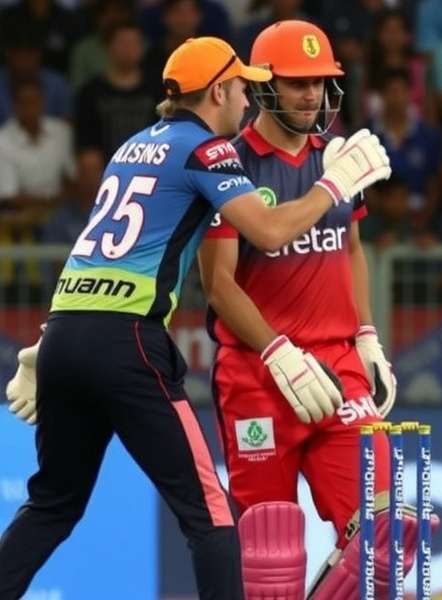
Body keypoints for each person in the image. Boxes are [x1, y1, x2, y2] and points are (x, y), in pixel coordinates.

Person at [1, 35, 390, 600]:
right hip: (129, 343)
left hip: (67, 328)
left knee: (52, 505)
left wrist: (49, 344)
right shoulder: (210, 151)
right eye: (241, 88)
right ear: (218, 91)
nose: (248, 100)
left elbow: (101, 252)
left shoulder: (131, 146)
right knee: (212, 516)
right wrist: (334, 184)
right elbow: (269, 232)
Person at [197, 20, 420, 599]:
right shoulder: (227, 164)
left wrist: (366, 335)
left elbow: (351, 246)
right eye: (298, 83)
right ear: (263, 86)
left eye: (320, 82)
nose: (311, 95)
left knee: (387, 536)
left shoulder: (340, 158)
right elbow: (219, 285)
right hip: (257, 374)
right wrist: (276, 351)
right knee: (268, 559)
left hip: (338, 369)